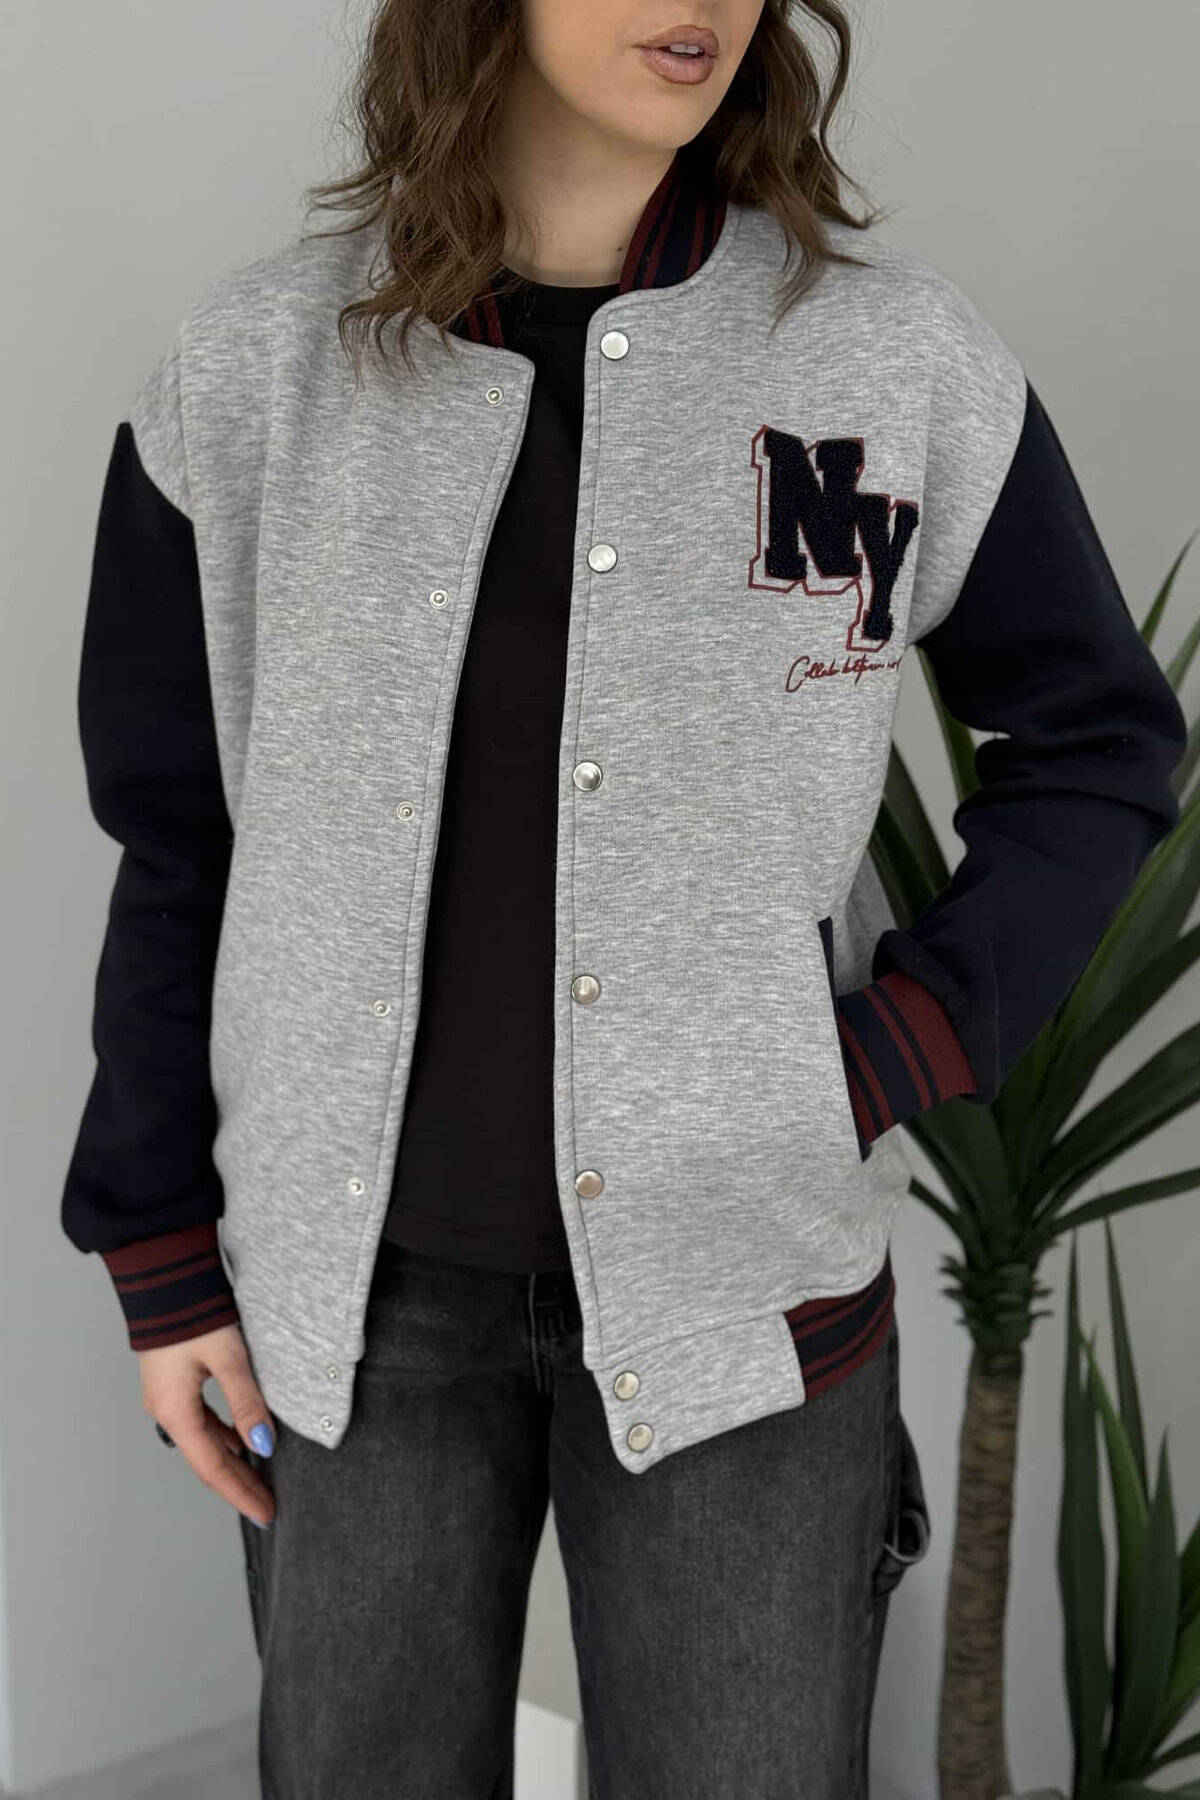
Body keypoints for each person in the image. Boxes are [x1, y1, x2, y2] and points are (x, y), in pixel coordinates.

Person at [60, 1, 1187, 1795]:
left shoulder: (891, 363)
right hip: (350, 1322)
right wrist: (159, 1252)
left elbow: (1100, 744)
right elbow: (178, 837)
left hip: (746, 1294)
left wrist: (893, 1048)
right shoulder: (254, 374)